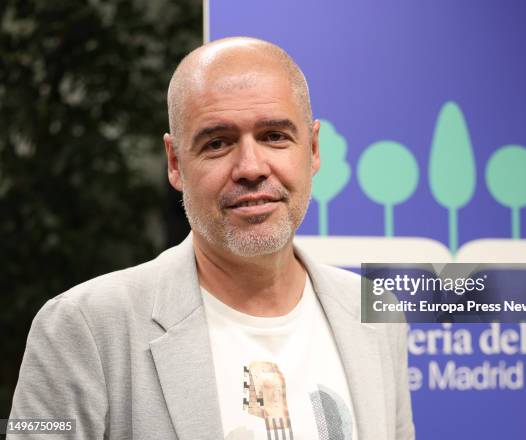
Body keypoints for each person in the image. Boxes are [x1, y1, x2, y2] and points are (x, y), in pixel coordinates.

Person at [9, 37, 415, 440]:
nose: (251, 168)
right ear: (175, 164)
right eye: (217, 143)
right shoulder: (84, 327)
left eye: (274, 136)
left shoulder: (376, 314)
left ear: (312, 149)